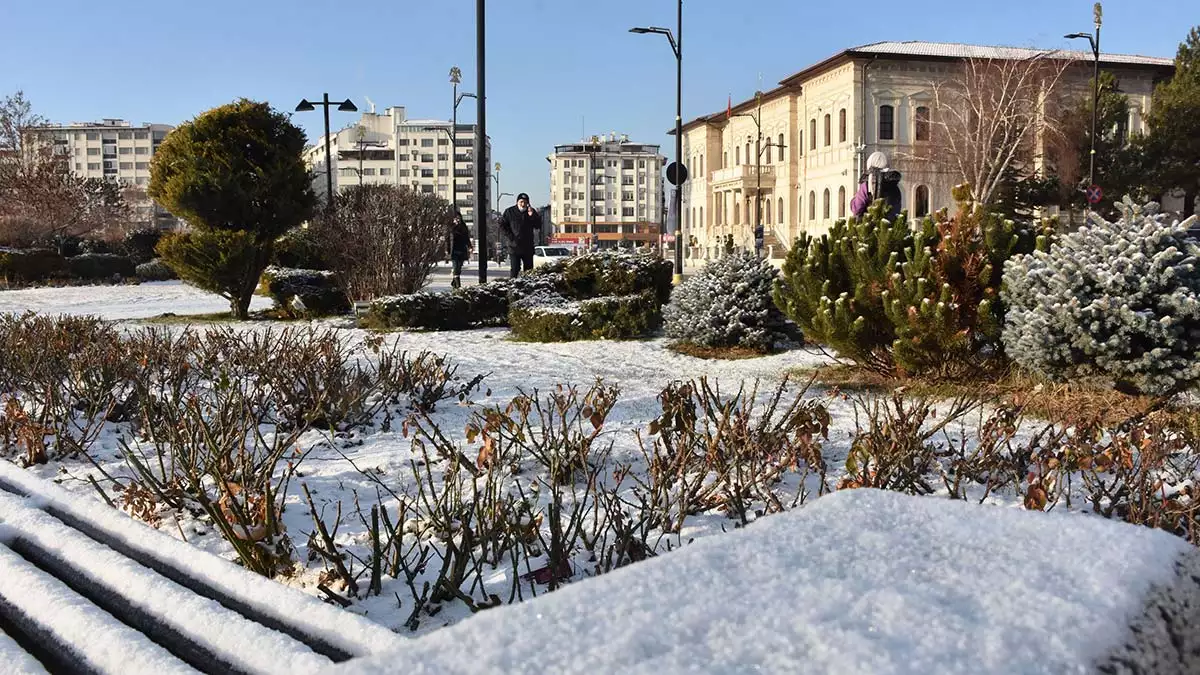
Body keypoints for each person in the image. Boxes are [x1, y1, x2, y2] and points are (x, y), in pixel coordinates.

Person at [850, 151, 902, 220]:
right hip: (890, 227)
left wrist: (853, 201)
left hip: (870, 226)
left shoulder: (867, 185)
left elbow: (857, 208)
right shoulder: (894, 185)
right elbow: (896, 210)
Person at [499, 193, 542, 278]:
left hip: (528, 246)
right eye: (521, 202)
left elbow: (538, 226)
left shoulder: (531, 211)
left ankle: (528, 288)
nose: (523, 204)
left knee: (529, 271)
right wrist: (511, 237)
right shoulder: (509, 211)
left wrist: (532, 216)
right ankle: (513, 287)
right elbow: (502, 225)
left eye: (525, 202)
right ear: (517, 202)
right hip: (514, 246)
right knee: (515, 269)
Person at [448, 210, 472, 289]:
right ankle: (458, 284)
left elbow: (466, 238)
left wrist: (469, 246)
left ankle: (454, 281)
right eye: (456, 218)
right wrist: (447, 250)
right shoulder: (451, 227)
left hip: (462, 249)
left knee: (459, 267)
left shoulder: (463, 226)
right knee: (456, 267)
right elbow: (448, 239)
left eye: (459, 218)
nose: (458, 219)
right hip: (454, 250)